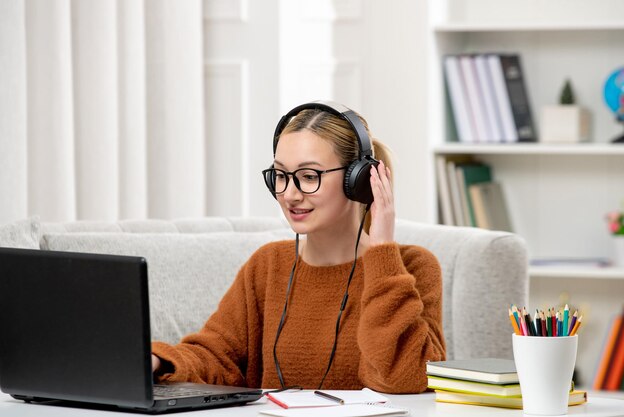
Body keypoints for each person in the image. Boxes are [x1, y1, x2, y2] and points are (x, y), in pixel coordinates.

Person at [151, 101, 446, 393]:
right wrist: (156, 361)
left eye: (308, 176)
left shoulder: (412, 267)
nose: (290, 194)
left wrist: (382, 253)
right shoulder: (267, 266)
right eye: (281, 175)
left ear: (357, 181)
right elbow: (215, 356)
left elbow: (405, 378)